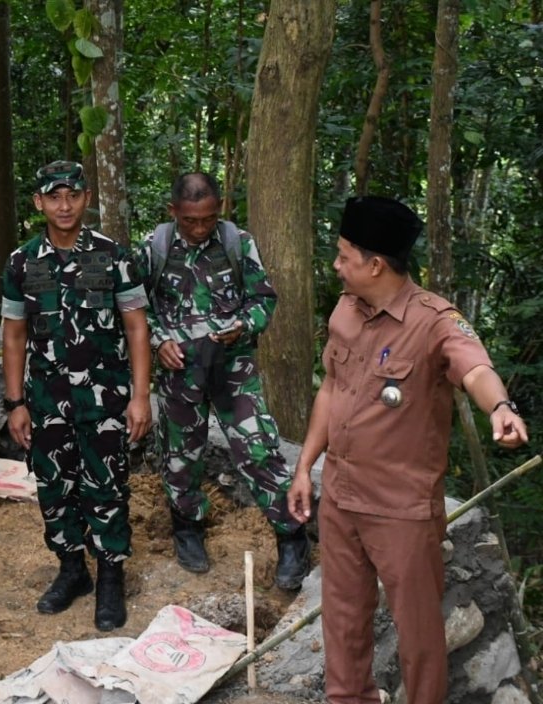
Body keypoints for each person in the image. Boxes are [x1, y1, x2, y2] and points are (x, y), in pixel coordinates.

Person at [287, 195, 528, 704]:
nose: (336, 266)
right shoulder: (346, 310)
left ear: (375, 264)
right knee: (343, 621)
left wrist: (499, 407)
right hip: (342, 498)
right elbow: (330, 390)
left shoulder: (434, 321)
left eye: (344, 256)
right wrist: (305, 466)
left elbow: (474, 366)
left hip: (401, 511)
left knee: (418, 636)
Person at [136, 172, 309, 590]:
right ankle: (188, 530)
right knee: (181, 454)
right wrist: (159, 341)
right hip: (179, 370)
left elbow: (264, 299)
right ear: (173, 212)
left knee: (259, 448)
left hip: (233, 367)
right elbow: (136, 308)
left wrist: (243, 325)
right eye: (191, 220)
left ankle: (291, 537)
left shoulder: (237, 242)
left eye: (208, 219)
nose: (199, 228)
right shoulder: (153, 248)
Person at [1, 161, 152, 632]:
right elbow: (13, 336)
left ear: (86, 198)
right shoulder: (22, 262)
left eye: (72, 195)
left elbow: (136, 328)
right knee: (54, 487)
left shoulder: (114, 256)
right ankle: (71, 570)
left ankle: (110, 575)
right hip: (46, 401)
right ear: (38, 203)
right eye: (54, 196)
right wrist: (14, 402)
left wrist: (141, 396)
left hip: (105, 400)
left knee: (107, 487)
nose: (64, 206)